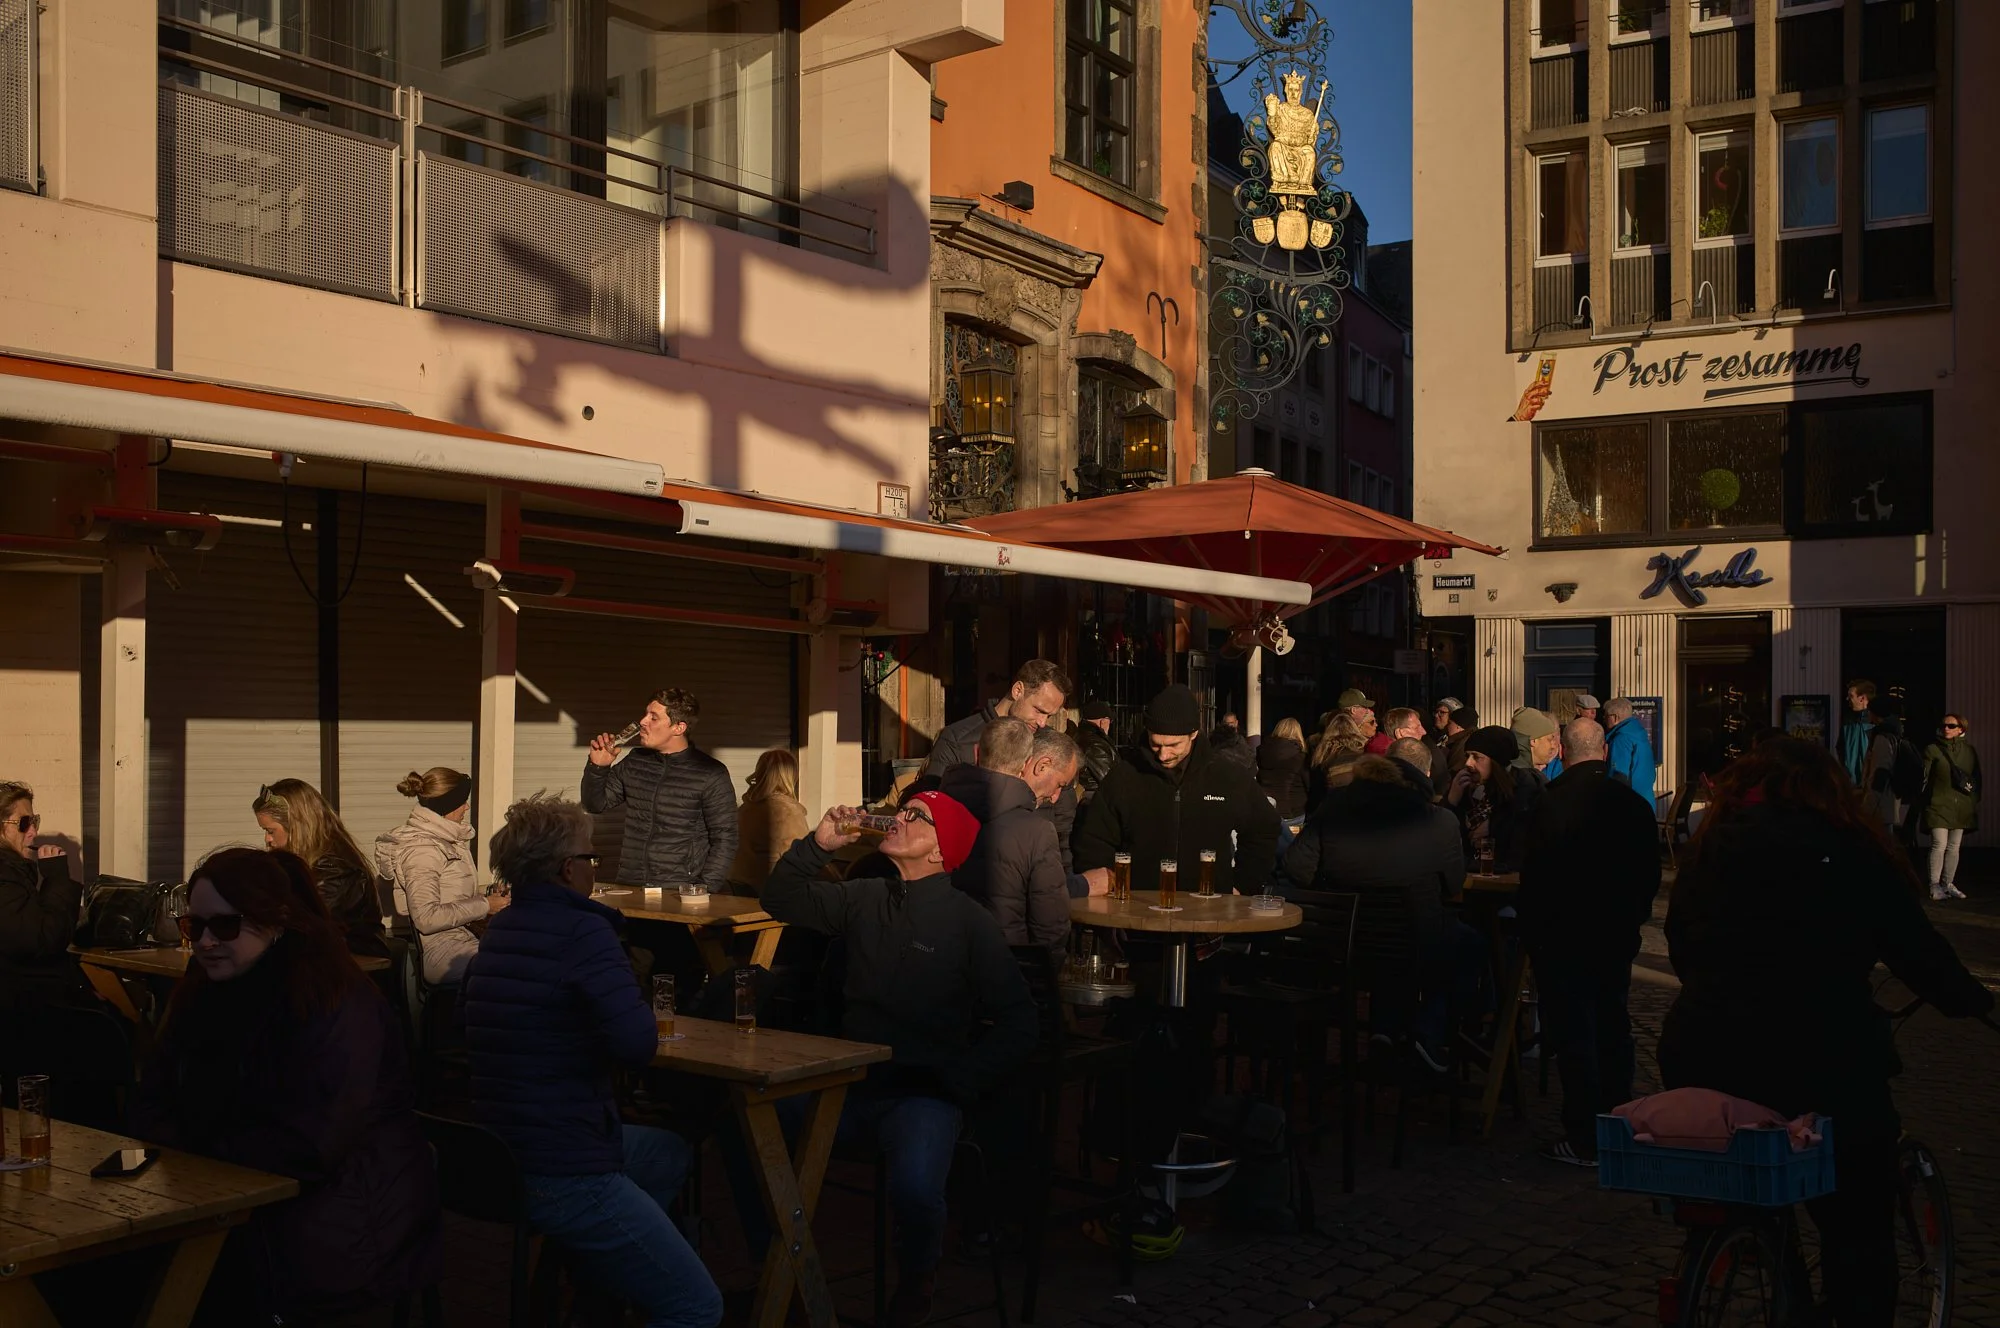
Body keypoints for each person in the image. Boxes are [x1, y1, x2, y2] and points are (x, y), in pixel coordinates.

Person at [1658, 738, 1993, 1327]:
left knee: (1749, 1191)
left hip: (1703, 1051)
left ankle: (1760, 1254)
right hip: (1823, 1054)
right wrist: (1967, 999)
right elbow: (1915, 950)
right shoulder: (1851, 847)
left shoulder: (1711, 848)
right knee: (1858, 1220)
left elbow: (1682, 946)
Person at [759, 791, 1038, 1327]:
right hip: (846, 1087)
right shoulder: (865, 897)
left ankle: (917, 1281)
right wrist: (819, 845)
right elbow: (781, 898)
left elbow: (1020, 1022)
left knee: (913, 1186)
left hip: (921, 1095)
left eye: (918, 817)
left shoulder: (968, 922)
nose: (899, 818)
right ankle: (776, 1264)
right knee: (747, 1124)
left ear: (940, 851)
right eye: (902, 809)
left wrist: (959, 1081)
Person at [131, 847, 440, 1323]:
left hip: (339, 1222)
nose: (206, 942)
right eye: (195, 927)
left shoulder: (335, 1001)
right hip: (226, 1203)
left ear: (275, 922)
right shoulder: (203, 989)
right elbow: (152, 1095)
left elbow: (310, 1146)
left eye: (226, 926)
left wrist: (194, 1144)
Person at [463, 794, 722, 1328]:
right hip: (564, 1160)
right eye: (591, 859)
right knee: (697, 1307)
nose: (594, 868)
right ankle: (603, 1276)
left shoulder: (500, 931)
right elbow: (636, 1045)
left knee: (666, 1153)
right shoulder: (585, 932)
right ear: (567, 868)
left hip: (500, 1148)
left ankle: (598, 1288)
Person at [1517, 719, 1662, 1167]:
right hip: (1613, 934)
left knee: (1576, 1035)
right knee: (1612, 1027)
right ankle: (1618, 1123)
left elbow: (1534, 877)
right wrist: (1631, 920)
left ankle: (1585, 1136)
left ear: (1563, 748)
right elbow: (1649, 876)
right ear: (1603, 750)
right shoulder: (1633, 805)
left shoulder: (1551, 803)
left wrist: (1536, 932)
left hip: (1564, 937)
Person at [1284, 753, 1469, 1069]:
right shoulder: (1437, 820)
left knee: (1397, 947)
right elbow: (1454, 885)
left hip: (1345, 943)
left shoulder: (1333, 809)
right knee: (1469, 947)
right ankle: (1429, 1032)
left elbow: (1297, 868)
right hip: (1412, 942)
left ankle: (1386, 1030)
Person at [1075, 684, 1280, 895]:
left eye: (1173, 745)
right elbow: (1094, 840)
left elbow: (1264, 828)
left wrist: (1242, 884)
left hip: (1210, 909)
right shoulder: (1124, 777)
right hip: (1139, 910)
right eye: (1156, 744)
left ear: (1193, 734)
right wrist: (1106, 887)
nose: (1163, 755)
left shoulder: (1226, 775)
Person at [925, 659, 1079, 868]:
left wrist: (1065, 879)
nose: (1043, 722)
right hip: (971, 867)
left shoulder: (1049, 744)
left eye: (1049, 716)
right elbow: (931, 807)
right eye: (1039, 710)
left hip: (1037, 868)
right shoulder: (957, 739)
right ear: (1017, 690)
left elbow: (1062, 827)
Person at [583, 687, 737, 891]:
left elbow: (725, 838)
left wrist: (704, 889)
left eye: (653, 717)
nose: (642, 722)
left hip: (679, 890)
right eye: (645, 714)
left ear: (678, 728)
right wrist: (598, 767)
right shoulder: (635, 762)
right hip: (631, 885)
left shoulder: (710, 773)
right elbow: (595, 804)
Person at [940, 718, 1074, 949]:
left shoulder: (930, 812)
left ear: (976, 752)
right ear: (1025, 765)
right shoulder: (1037, 832)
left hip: (937, 957)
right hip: (1003, 963)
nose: (1056, 797)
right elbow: (1051, 928)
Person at [375, 766, 501, 985]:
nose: (467, 807)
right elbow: (426, 918)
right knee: (521, 967)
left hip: (464, 940)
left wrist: (489, 895)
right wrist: (485, 905)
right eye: (463, 801)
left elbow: (451, 893)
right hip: (445, 953)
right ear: (447, 807)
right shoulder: (422, 850)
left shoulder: (442, 839)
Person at [254, 778, 388, 958]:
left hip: (355, 970)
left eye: (271, 831)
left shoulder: (335, 869)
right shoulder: (303, 864)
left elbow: (306, 927)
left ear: (297, 826)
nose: (267, 840)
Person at [0, 781, 85, 1004]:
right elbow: (42, 942)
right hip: (22, 1009)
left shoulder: (14, 872)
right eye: (24, 823)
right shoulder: (4, 877)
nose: (33, 832)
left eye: (34, 821)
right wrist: (57, 879)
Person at [1445, 726, 1540, 873]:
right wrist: (1451, 801)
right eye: (1467, 756)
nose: (1468, 763)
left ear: (1496, 761)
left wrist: (1494, 827)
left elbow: (1521, 841)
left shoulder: (1524, 788)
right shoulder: (1465, 787)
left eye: (1476, 757)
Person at [728, 748, 809, 894]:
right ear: (791, 776)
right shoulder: (788, 811)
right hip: (771, 891)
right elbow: (800, 858)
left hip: (738, 885)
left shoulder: (745, 808)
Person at [1921, 713, 1978, 901]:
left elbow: (1977, 778)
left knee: (1954, 847)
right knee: (1939, 844)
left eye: (1951, 726)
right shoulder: (1933, 750)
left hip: (1961, 806)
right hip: (1938, 804)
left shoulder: (1969, 751)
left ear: (1961, 729)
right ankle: (1934, 884)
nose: (1946, 728)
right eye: (1944, 725)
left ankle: (1948, 883)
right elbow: (1924, 777)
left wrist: (1972, 801)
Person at [1857, 695, 1909, 832]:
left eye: (1869, 711)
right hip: (1886, 803)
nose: (1867, 714)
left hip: (1880, 805)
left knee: (1881, 845)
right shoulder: (1894, 735)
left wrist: (1868, 806)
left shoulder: (1882, 738)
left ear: (1876, 713)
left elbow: (1880, 772)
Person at [1256, 716, 1311, 838]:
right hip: (1293, 813)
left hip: (1267, 809)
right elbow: (1309, 785)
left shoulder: (1261, 752)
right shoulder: (1301, 758)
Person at [1602, 697, 1658, 803]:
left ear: (1615, 717)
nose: (1604, 719)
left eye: (1605, 716)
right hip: (1646, 801)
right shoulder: (1639, 735)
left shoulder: (1621, 738)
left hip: (1630, 806)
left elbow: (1618, 778)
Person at [1308, 712, 1369, 807]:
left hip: (1332, 809)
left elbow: (1317, 790)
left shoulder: (1321, 756)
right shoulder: (1364, 754)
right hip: (1358, 807)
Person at [1074, 700, 1119, 800]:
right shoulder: (1095, 743)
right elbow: (1109, 779)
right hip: (1098, 797)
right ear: (1103, 721)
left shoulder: (1083, 736)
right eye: (1110, 721)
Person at [1431, 704, 1475, 799]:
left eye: (1450, 723)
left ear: (1458, 726)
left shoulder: (1463, 744)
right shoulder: (1454, 741)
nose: (1447, 726)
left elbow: (1454, 770)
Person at [1840, 678, 1878, 787]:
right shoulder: (1847, 722)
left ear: (1862, 699)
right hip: (1849, 785)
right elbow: (1840, 748)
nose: (1847, 699)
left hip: (1869, 787)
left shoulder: (1875, 724)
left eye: (1851, 696)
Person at [1511, 706, 1562, 783]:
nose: (1554, 745)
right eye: (1549, 739)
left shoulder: (1506, 770)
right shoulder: (1527, 781)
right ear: (1533, 741)